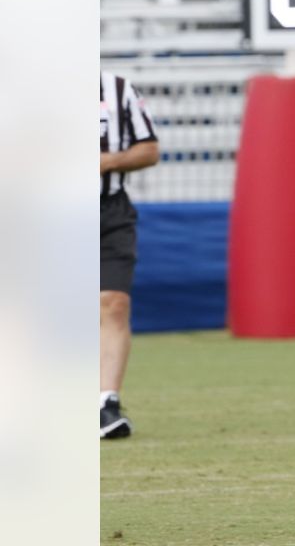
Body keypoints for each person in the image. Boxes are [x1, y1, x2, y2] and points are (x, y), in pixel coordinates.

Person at [100, 71, 160, 439]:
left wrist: (105, 162)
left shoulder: (117, 89)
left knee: (114, 302)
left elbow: (149, 149)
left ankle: (105, 404)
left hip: (109, 210)